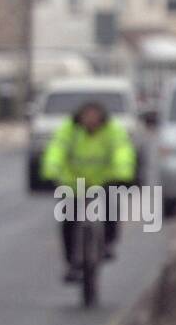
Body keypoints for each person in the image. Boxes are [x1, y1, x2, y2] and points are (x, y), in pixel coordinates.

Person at [40, 100, 136, 282]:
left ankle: (108, 243)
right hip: (74, 183)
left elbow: (122, 150)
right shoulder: (70, 130)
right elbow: (56, 149)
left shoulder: (112, 130)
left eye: (95, 117)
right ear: (80, 117)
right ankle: (72, 263)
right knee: (68, 219)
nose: (91, 120)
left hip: (102, 181)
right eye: (87, 116)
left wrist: (123, 171)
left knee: (110, 205)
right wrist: (52, 169)